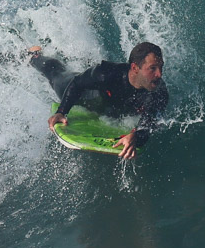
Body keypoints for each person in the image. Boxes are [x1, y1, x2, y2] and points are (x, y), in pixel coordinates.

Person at [29, 42, 168, 160]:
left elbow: (148, 125)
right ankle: (34, 56)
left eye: (161, 67)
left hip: (109, 108)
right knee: (57, 75)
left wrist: (135, 137)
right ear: (135, 68)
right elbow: (76, 84)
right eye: (153, 68)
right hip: (84, 98)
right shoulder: (108, 73)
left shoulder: (159, 93)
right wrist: (61, 111)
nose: (159, 74)